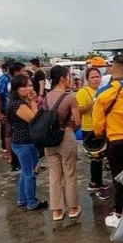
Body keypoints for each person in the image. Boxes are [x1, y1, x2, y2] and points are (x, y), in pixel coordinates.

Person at [93, 55, 123, 226]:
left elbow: (98, 124)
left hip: (115, 141)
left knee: (119, 178)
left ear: (112, 68)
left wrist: (100, 134)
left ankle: (119, 213)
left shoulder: (103, 93)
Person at [7, 75, 49, 211]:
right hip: (24, 142)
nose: (29, 88)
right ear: (16, 89)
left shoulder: (19, 102)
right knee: (30, 173)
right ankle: (31, 201)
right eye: (25, 86)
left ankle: (22, 199)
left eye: (31, 85)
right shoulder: (17, 104)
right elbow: (34, 118)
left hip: (23, 142)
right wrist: (33, 101)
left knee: (25, 173)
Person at [44, 66, 81, 221]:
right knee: (69, 173)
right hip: (65, 135)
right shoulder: (70, 97)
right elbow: (78, 121)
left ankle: (57, 211)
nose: (70, 80)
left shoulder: (46, 97)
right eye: (68, 76)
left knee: (54, 174)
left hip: (49, 138)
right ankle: (73, 207)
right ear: (62, 79)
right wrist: (71, 127)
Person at [76, 68, 108, 192]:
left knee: (101, 157)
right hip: (89, 129)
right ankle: (94, 184)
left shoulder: (103, 91)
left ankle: (99, 182)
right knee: (94, 158)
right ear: (87, 79)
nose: (96, 79)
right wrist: (93, 103)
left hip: (102, 128)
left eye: (97, 77)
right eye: (92, 77)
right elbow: (79, 111)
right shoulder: (83, 92)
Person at [0, 63, 20, 171]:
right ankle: (9, 154)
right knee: (7, 131)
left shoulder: (18, 80)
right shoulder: (4, 79)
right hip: (7, 109)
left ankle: (14, 155)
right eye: (22, 70)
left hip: (17, 109)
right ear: (16, 71)